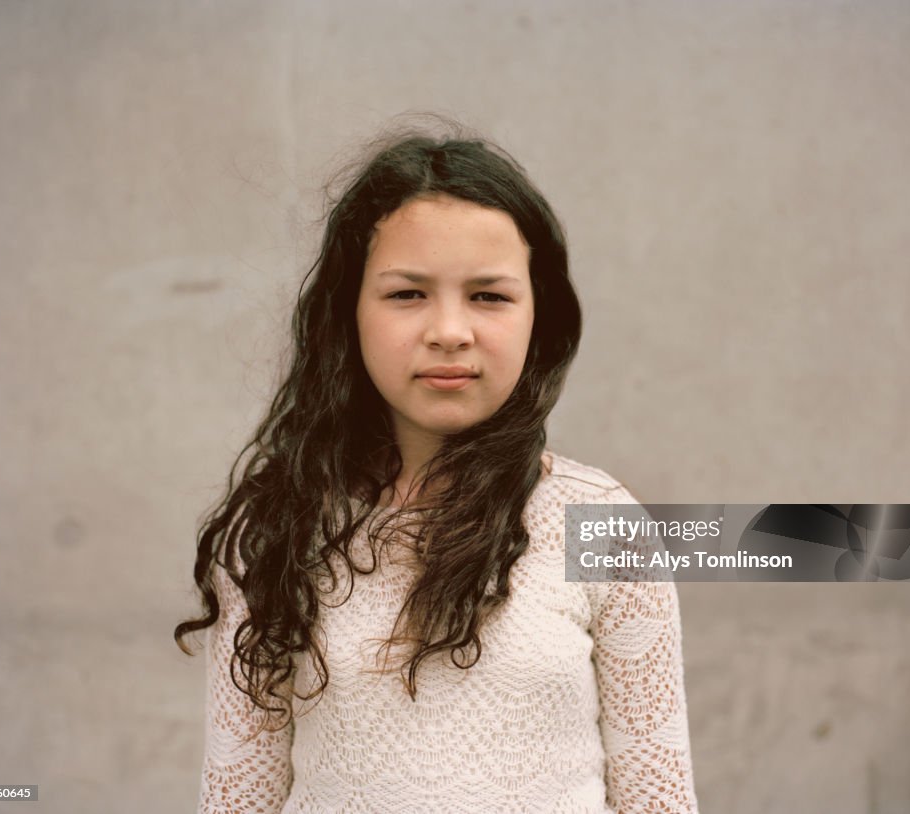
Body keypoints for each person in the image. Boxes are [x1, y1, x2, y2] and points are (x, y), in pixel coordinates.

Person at [175, 123, 699, 813]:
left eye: (489, 296)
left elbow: (659, 799)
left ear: (539, 315)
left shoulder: (603, 526)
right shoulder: (277, 529)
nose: (450, 330)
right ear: (348, 312)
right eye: (407, 294)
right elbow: (240, 798)